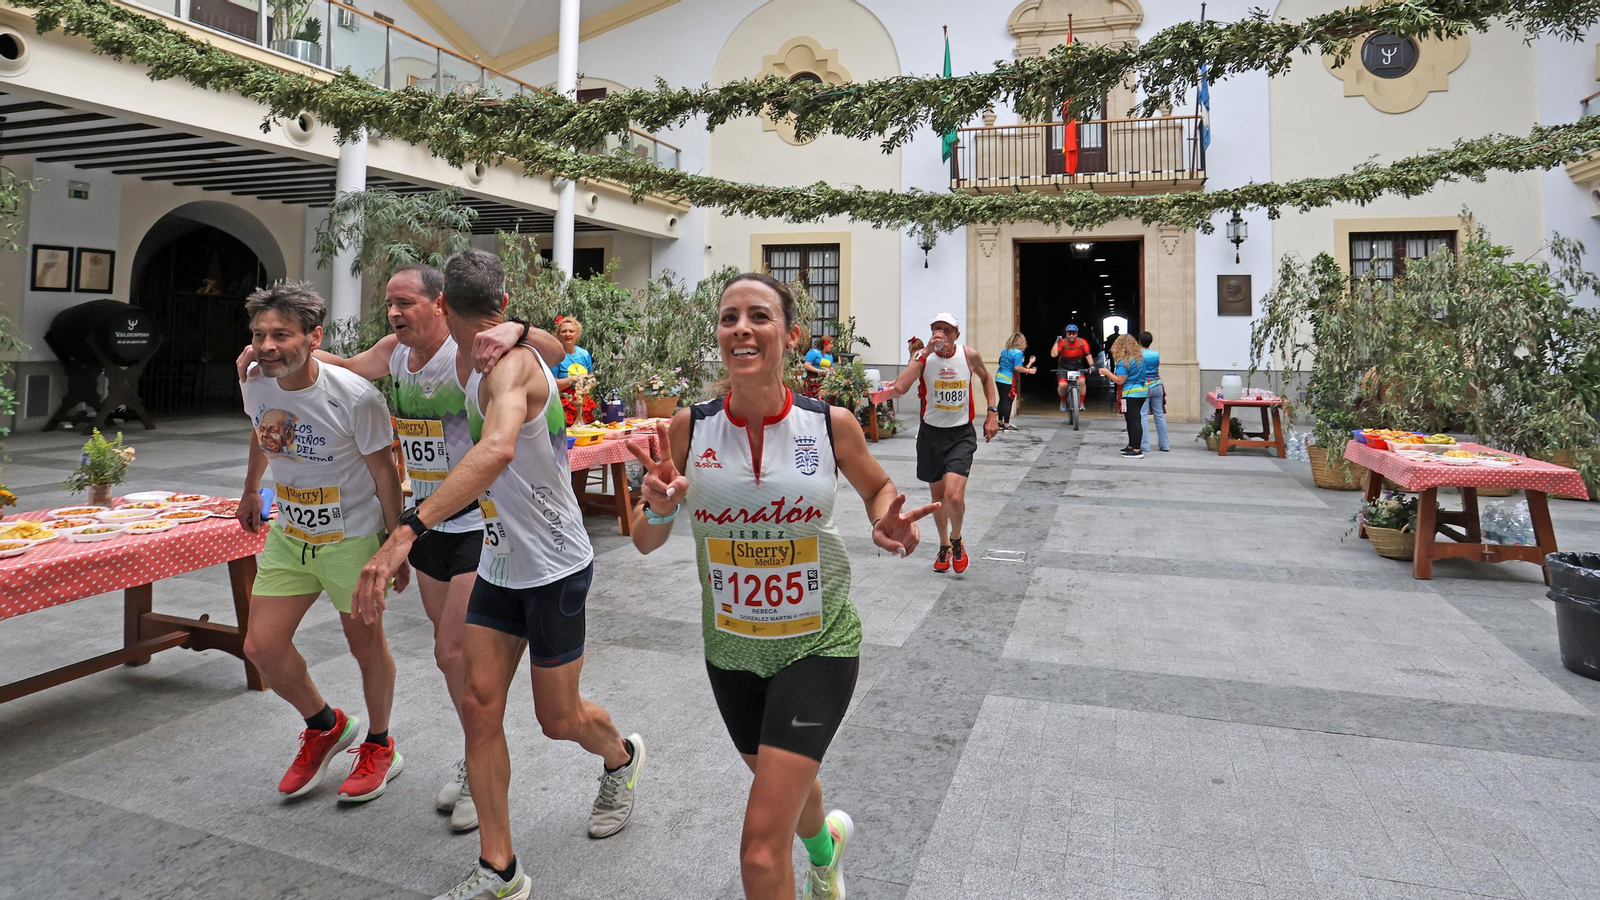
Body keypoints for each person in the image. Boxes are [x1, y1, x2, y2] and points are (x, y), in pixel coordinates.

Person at [626, 273, 938, 900]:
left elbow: (878, 487)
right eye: (729, 317)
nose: (741, 327)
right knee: (787, 781)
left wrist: (886, 519)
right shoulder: (690, 428)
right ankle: (826, 851)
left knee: (761, 852)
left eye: (759, 316)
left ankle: (809, 862)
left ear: (790, 335)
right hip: (731, 648)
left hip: (819, 643)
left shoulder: (830, 424)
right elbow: (643, 537)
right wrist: (658, 506)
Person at [353, 250, 644, 900]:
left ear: (445, 308)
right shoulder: (466, 355)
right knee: (480, 706)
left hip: (555, 568)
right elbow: (548, 337)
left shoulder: (511, 366)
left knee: (558, 717)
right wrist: (520, 327)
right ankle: (500, 869)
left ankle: (621, 758)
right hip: (497, 561)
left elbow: (498, 446)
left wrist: (407, 528)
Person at [234, 265, 553, 833]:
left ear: (441, 304)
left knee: (456, 653)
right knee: (445, 652)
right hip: (430, 526)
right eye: (390, 304)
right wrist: (273, 353)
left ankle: (474, 767)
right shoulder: (393, 353)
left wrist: (519, 328)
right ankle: (465, 754)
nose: (395, 313)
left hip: (481, 519)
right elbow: (342, 368)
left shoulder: (476, 351)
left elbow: (547, 353)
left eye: (406, 302)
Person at [235, 281, 408, 805]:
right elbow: (264, 429)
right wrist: (250, 489)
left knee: (365, 647)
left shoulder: (356, 397)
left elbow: (386, 473)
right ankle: (325, 724)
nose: (267, 346)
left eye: (281, 335)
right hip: (290, 534)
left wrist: (394, 547)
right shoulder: (255, 379)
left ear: (314, 337)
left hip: (351, 540)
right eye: (260, 335)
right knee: (261, 647)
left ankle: (380, 743)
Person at [883, 312, 1000, 573]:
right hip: (931, 435)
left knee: (954, 495)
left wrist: (992, 412)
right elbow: (900, 388)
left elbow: (986, 378)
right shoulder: (923, 358)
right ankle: (944, 545)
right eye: (936, 328)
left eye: (947, 329)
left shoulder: (969, 355)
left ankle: (957, 538)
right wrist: (923, 353)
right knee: (938, 497)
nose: (941, 334)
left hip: (960, 435)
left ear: (956, 334)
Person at [1098, 333, 1149, 459]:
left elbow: (1120, 380)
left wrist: (1106, 372)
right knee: (1131, 419)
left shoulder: (1123, 361)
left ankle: (1136, 449)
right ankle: (1131, 446)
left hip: (1130, 393)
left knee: (1133, 420)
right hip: (1142, 391)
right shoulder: (1140, 359)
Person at [552, 316, 597, 425]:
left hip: (584, 400)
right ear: (558, 334)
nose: (568, 334)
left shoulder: (584, 354)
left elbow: (592, 377)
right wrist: (574, 379)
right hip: (565, 402)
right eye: (564, 331)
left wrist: (590, 382)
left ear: (577, 334)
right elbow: (553, 384)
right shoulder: (555, 355)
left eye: (571, 331)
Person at [994, 332, 1036, 431]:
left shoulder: (1005, 350)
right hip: (1008, 379)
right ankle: (1007, 424)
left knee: (1002, 400)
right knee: (1008, 401)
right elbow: (1017, 368)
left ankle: (1000, 422)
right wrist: (1029, 370)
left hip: (999, 377)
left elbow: (1002, 363)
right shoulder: (1018, 353)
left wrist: (1029, 363)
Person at [1050, 324, 1095, 413]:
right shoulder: (1062, 342)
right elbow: (1053, 355)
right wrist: (1056, 342)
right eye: (1069, 333)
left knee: (1081, 382)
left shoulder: (1082, 342)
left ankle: (1081, 403)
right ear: (1066, 334)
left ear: (1077, 334)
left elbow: (1088, 355)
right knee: (1063, 385)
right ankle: (1063, 402)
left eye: (1073, 333)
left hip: (1077, 366)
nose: (1071, 335)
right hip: (1064, 366)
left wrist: (1092, 365)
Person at [1137, 330, 1170, 453]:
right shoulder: (1156, 354)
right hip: (1157, 384)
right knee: (1159, 416)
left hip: (1143, 386)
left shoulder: (1137, 355)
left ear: (1139, 342)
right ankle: (1164, 444)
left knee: (1143, 416)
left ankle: (1145, 445)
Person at [802, 335, 835, 399]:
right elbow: (806, 365)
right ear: (825, 344)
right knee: (813, 399)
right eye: (831, 344)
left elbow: (832, 369)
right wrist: (820, 371)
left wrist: (836, 378)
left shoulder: (830, 356)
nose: (832, 346)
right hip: (811, 379)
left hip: (823, 381)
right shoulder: (814, 352)